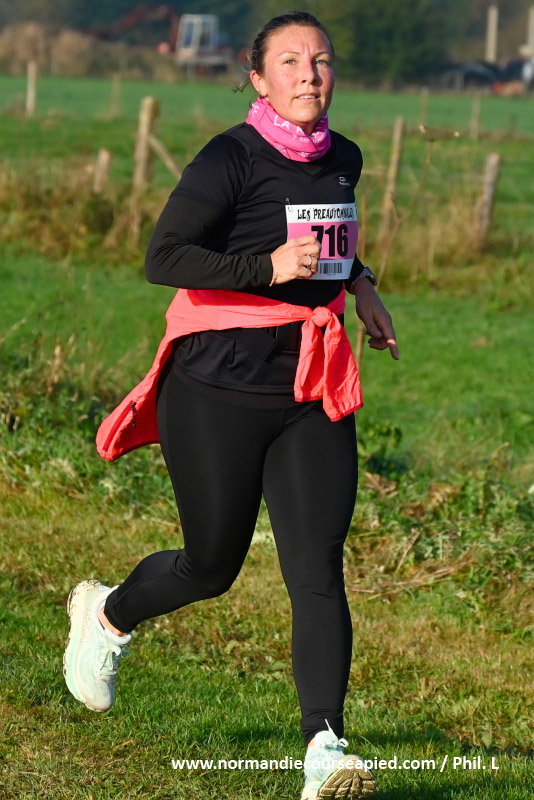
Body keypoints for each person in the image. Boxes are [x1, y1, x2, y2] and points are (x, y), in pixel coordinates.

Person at [63, 11, 398, 800]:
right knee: (210, 565)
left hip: (311, 389)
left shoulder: (344, 159)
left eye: (321, 60)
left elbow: (331, 244)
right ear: (259, 79)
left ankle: (325, 749)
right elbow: (164, 256)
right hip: (216, 388)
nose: (309, 74)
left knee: (316, 568)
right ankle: (108, 614)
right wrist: (268, 268)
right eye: (290, 62)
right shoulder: (230, 157)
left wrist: (361, 285)